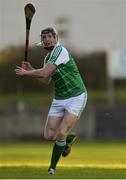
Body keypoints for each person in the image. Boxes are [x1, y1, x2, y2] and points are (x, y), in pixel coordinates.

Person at [15, 27, 87, 175]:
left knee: (60, 132)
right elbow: (46, 79)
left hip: (76, 96)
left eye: (49, 36)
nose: (46, 39)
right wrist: (33, 70)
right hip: (59, 98)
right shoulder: (47, 58)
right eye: (43, 37)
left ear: (55, 38)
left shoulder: (60, 51)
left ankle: (52, 168)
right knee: (49, 136)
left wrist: (26, 73)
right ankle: (70, 137)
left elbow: (45, 72)